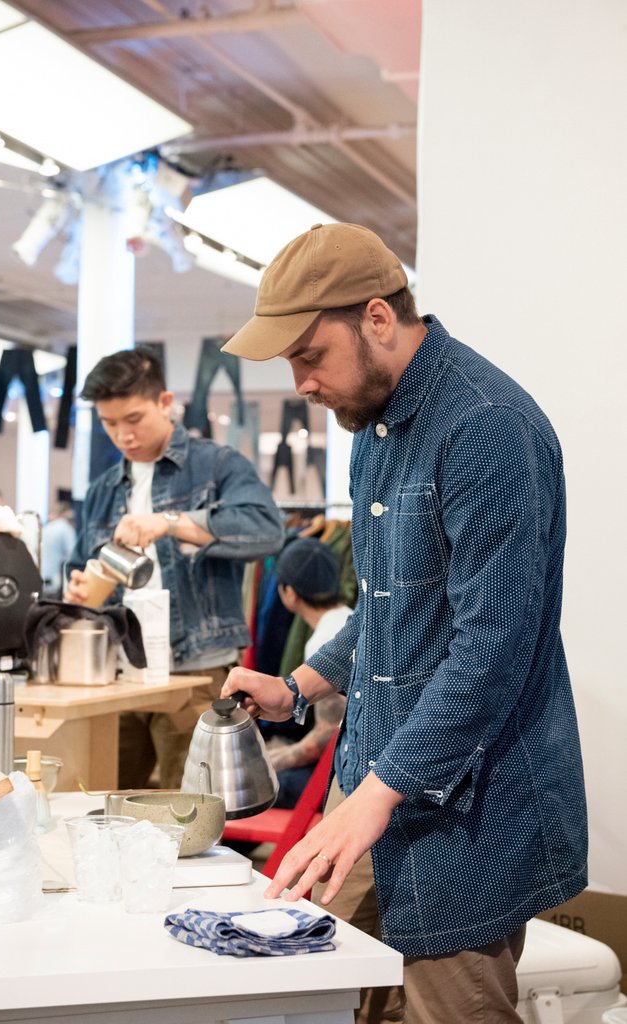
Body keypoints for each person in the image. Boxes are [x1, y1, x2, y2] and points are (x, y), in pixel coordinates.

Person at [219, 223, 588, 1024]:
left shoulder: (486, 429)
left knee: (445, 1008)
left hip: (470, 806)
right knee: (316, 988)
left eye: (309, 355)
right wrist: (297, 687)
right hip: (378, 781)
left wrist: (375, 794)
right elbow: (391, 604)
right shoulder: (374, 427)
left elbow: (489, 649)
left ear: (377, 319)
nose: (302, 382)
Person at [64, 348, 284, 790]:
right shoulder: (104, 489)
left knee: (190, 811)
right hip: (121, 671)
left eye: (133, 418)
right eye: (110, 424)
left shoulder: (216, 465)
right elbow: (78, 563)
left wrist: (170, 523)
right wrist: (80, 585)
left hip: (196, 671)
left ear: (165, 402)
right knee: (106, 798)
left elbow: (266, 530)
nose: (123, 435)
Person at [268, 537, 351, 806]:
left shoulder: (322, 641)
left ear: (289, 593)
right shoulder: (350, 617)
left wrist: (275, 759)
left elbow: (326, 737)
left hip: (345, 775)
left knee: (250, 789)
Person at [40, 501, 77, 599]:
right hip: (55, 585)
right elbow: (73, 556)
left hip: (41, 581)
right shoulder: (66, 530)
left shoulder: (45, 528)